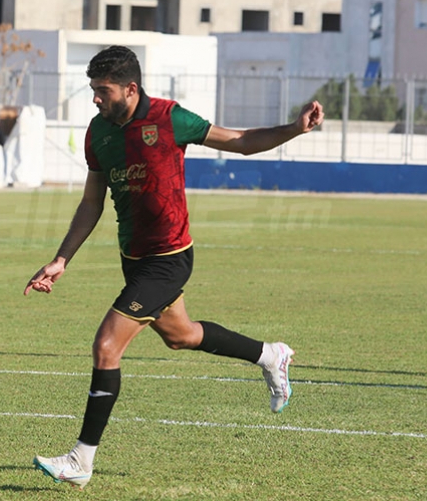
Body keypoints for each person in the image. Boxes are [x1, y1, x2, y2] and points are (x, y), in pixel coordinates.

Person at [24, 45, 324, 489]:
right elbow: (91, 202)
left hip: (168, 259)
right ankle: (270, 355)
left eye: (102, 91)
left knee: (107, 346)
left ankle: (80, 460)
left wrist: (294, 129)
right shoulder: (98, 133)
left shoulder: (169, 119)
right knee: (181, 336)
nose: (95, 99)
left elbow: (239, 142)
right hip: (134, 259)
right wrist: (61, 258)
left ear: (130, 88)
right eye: (93, 90)